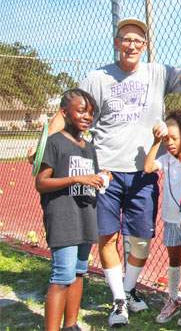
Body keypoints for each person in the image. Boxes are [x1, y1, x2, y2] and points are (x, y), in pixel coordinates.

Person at [33, 17, 181, 326]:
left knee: (141, 242)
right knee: (107, 238)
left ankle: (129, 289)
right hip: (106, 171)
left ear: (145, 46)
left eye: (138, 40)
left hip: (142, 173)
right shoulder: (97, 77)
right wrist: (43, 149)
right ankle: (120, 301)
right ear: (116, 42)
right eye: (126, 39)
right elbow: (65, 111)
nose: (132, 44)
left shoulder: (157, 72)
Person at [34, 89, 104, 331]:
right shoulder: (55, 143)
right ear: (65, 112)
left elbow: (89, 178)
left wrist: (101, 179)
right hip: (63, 218)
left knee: (78, 273)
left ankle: (71, 325)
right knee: (62, 276)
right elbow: (41, 183)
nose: (87, 116)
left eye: (91, 113)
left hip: (85, 217)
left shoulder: (90, 147)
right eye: (81, 111)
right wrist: (77, 180)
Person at [143, 110, 181, 326]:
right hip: (170, 219)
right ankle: (173, 299)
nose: (170, 143)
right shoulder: (165, 158)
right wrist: (156, 141)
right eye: (167, 138)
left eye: (174, 138)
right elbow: (148, 167)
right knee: (174, 259)